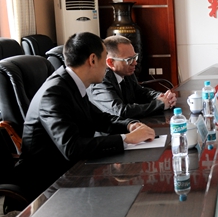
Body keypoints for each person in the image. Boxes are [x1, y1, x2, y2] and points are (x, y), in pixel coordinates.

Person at [15, 32, 156, 200]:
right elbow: (72, 148)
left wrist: (130, 125)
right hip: (48, 183)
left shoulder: (71, 83)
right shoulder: (54, 93)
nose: (107, 66)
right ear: (93, 60)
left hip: (74, 171)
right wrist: (126, 139)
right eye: (105, 58)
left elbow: (101, 118)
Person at [88, 35, 176, 118]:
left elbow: (140, 92)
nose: (134, 63)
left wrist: (161, 96)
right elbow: (120, 111)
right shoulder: (100, 80)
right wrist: (160, 105)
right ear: (111, 62)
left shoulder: (126, 71)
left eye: (135, 57)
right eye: (129, 59)